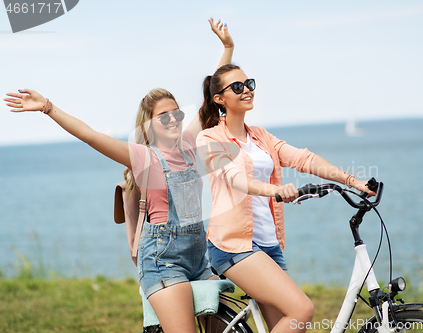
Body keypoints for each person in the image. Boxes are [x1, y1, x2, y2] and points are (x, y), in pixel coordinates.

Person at [4, 18, 235, 333]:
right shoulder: (143, 156)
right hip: (163, 261)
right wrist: (48, 107)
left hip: (198, 257)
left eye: (176, 113)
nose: (172, 119)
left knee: (228, 326)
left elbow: (212, 97)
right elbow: (90, 135)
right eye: (162, 116)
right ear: (150, 124)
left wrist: (227, 48)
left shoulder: (189, 145)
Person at [196, 63, 376, 332]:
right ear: (220, 99)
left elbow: (304, 159)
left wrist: (353, 181)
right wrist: (275, 190)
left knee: (293, 326)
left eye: (249, 84)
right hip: (235, 245)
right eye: (237, 87)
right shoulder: (209, 138)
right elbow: (234, 177)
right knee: (301, 309)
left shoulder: (260, 136)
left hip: (269, 245)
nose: (246, 90)